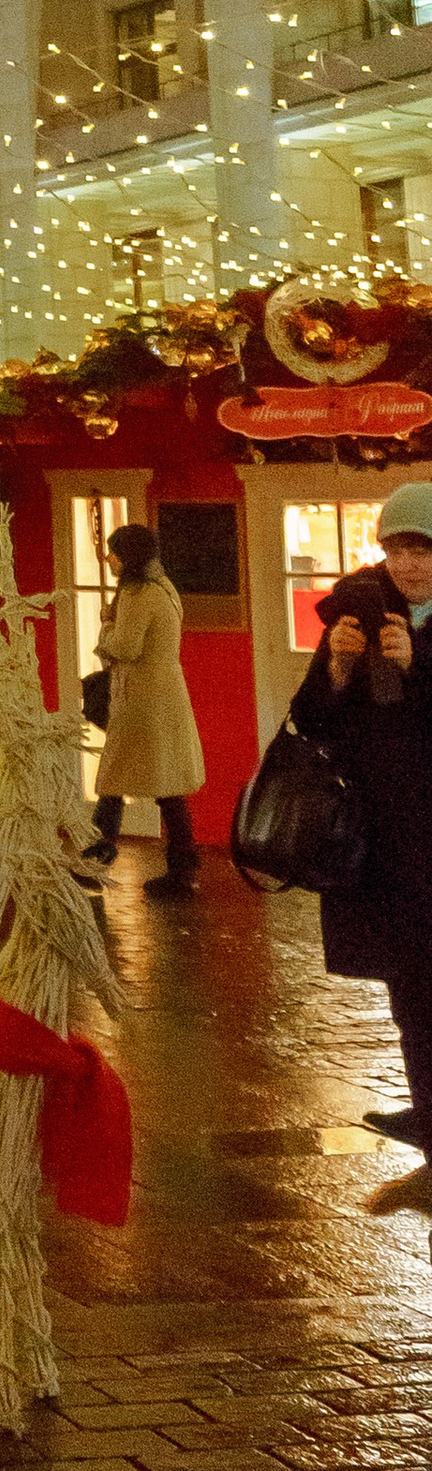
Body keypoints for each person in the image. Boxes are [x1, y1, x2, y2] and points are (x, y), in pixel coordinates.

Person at [290, 477, 432, 1146]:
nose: (409, 565)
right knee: (407, 979)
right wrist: (341, 670)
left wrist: (422, 665)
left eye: (423, 550)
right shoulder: (362, 614)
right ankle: (426, 1107)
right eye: (398, 550)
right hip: (385, 834)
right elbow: (310, 717)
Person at [89, 519, 204, 891]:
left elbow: (126, 647)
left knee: (113, 776)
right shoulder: (163, 588)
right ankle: (183, 864)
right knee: (167, 782)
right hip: (164, 692)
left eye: (114, 551)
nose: (108, 558)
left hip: (141, 697)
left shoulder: (140, 595)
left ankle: (96, 858)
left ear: (128, 556)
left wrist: (105, 627)